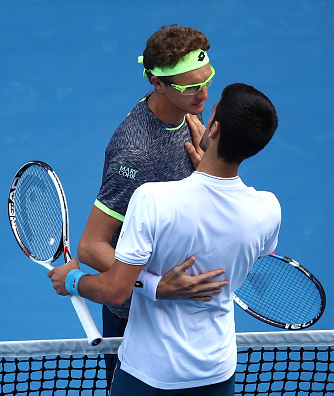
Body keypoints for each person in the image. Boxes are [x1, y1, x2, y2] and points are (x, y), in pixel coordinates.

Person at [49, 83, 281, 395]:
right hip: (217, 374)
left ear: (214, 130)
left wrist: (72, 281)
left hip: (147, 375)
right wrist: (213, 174)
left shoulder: (153, 199)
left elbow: (116, 290)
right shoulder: (268, 209)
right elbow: (236, 229)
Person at [75, 24, 227, 386]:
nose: (204, 94)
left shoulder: (189, 112)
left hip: (181, 301)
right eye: (191, 86)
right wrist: (156, 285)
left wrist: (205, 164)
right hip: (136, 316)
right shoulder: (135, 153)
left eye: (207, 80)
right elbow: (91, 246)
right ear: (157, 82)